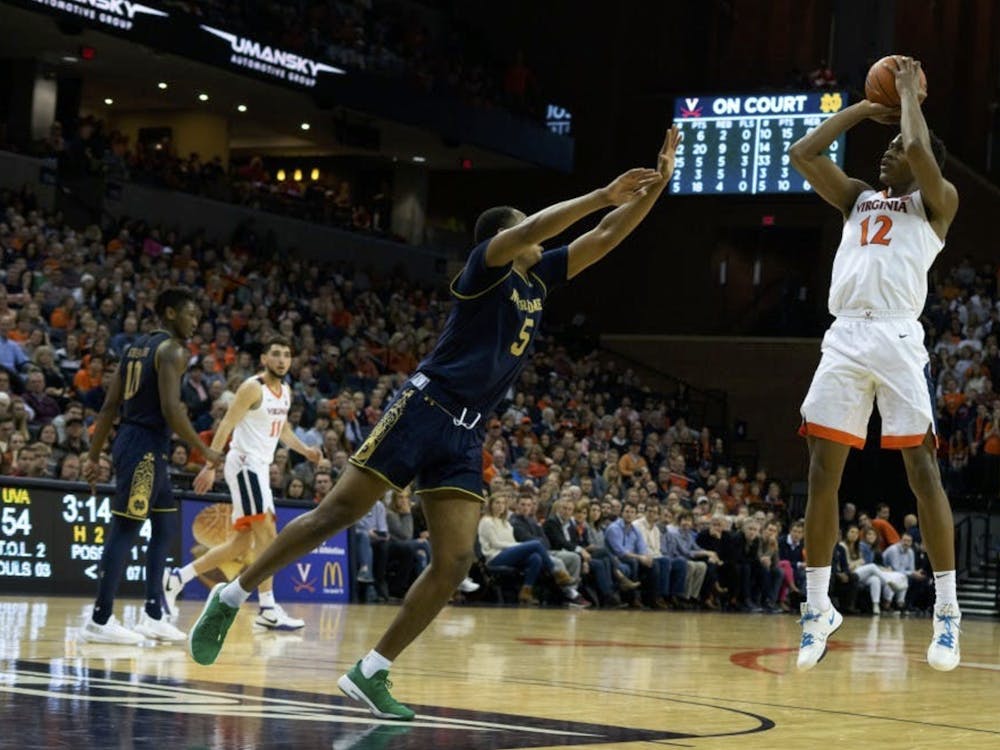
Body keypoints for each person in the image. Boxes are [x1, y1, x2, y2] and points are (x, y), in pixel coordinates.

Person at [188, 125, 682, 719]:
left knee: (453, 562)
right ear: (504, 236)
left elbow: (604, 239)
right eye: (526, 226)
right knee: (337, 513)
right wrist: (604, 193)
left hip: (467, 431)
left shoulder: (539, 279)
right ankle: (232, 593)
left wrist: (655, 188)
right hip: (425, 406)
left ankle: (371, 671)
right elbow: (540, 227)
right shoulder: (488, 264)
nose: (538, 234)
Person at [789, 55, 961, 671]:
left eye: (893, 148)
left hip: (895, 338)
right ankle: (817, 609)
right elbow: (802, 156)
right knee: (821, 470)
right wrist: (865, 107)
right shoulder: (858, 199)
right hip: (844, 337)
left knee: (921, 467)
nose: (885, 153)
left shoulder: (938, 203)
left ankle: (946, 613)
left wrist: (910, 97)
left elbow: (917, 144)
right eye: (883, 146)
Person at [80, 288, 223, 644]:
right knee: (126, 529)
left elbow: (111, 405)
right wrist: (205, 450)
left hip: (140, 444)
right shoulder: (172, 350)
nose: (196, 322)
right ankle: (100, 618)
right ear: (171, 314)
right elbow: (173, 410)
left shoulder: (135, 348)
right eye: (190, 314)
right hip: (143, 446)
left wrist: (94, 456)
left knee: (164, 526)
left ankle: (153, 614)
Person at [164, 336, 321, 630]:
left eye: (287, 354)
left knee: (242, 543)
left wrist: (306, 450)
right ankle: (267, 607)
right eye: (275, 354)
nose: (282, 359)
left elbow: (283, 430)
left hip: (260, 468)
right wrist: (211, 465)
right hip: (245, 464)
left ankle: (178, 578)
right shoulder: (252, 387)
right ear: (264, 359)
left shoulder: (285, 391)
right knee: (268, 536)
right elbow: (226, 424)